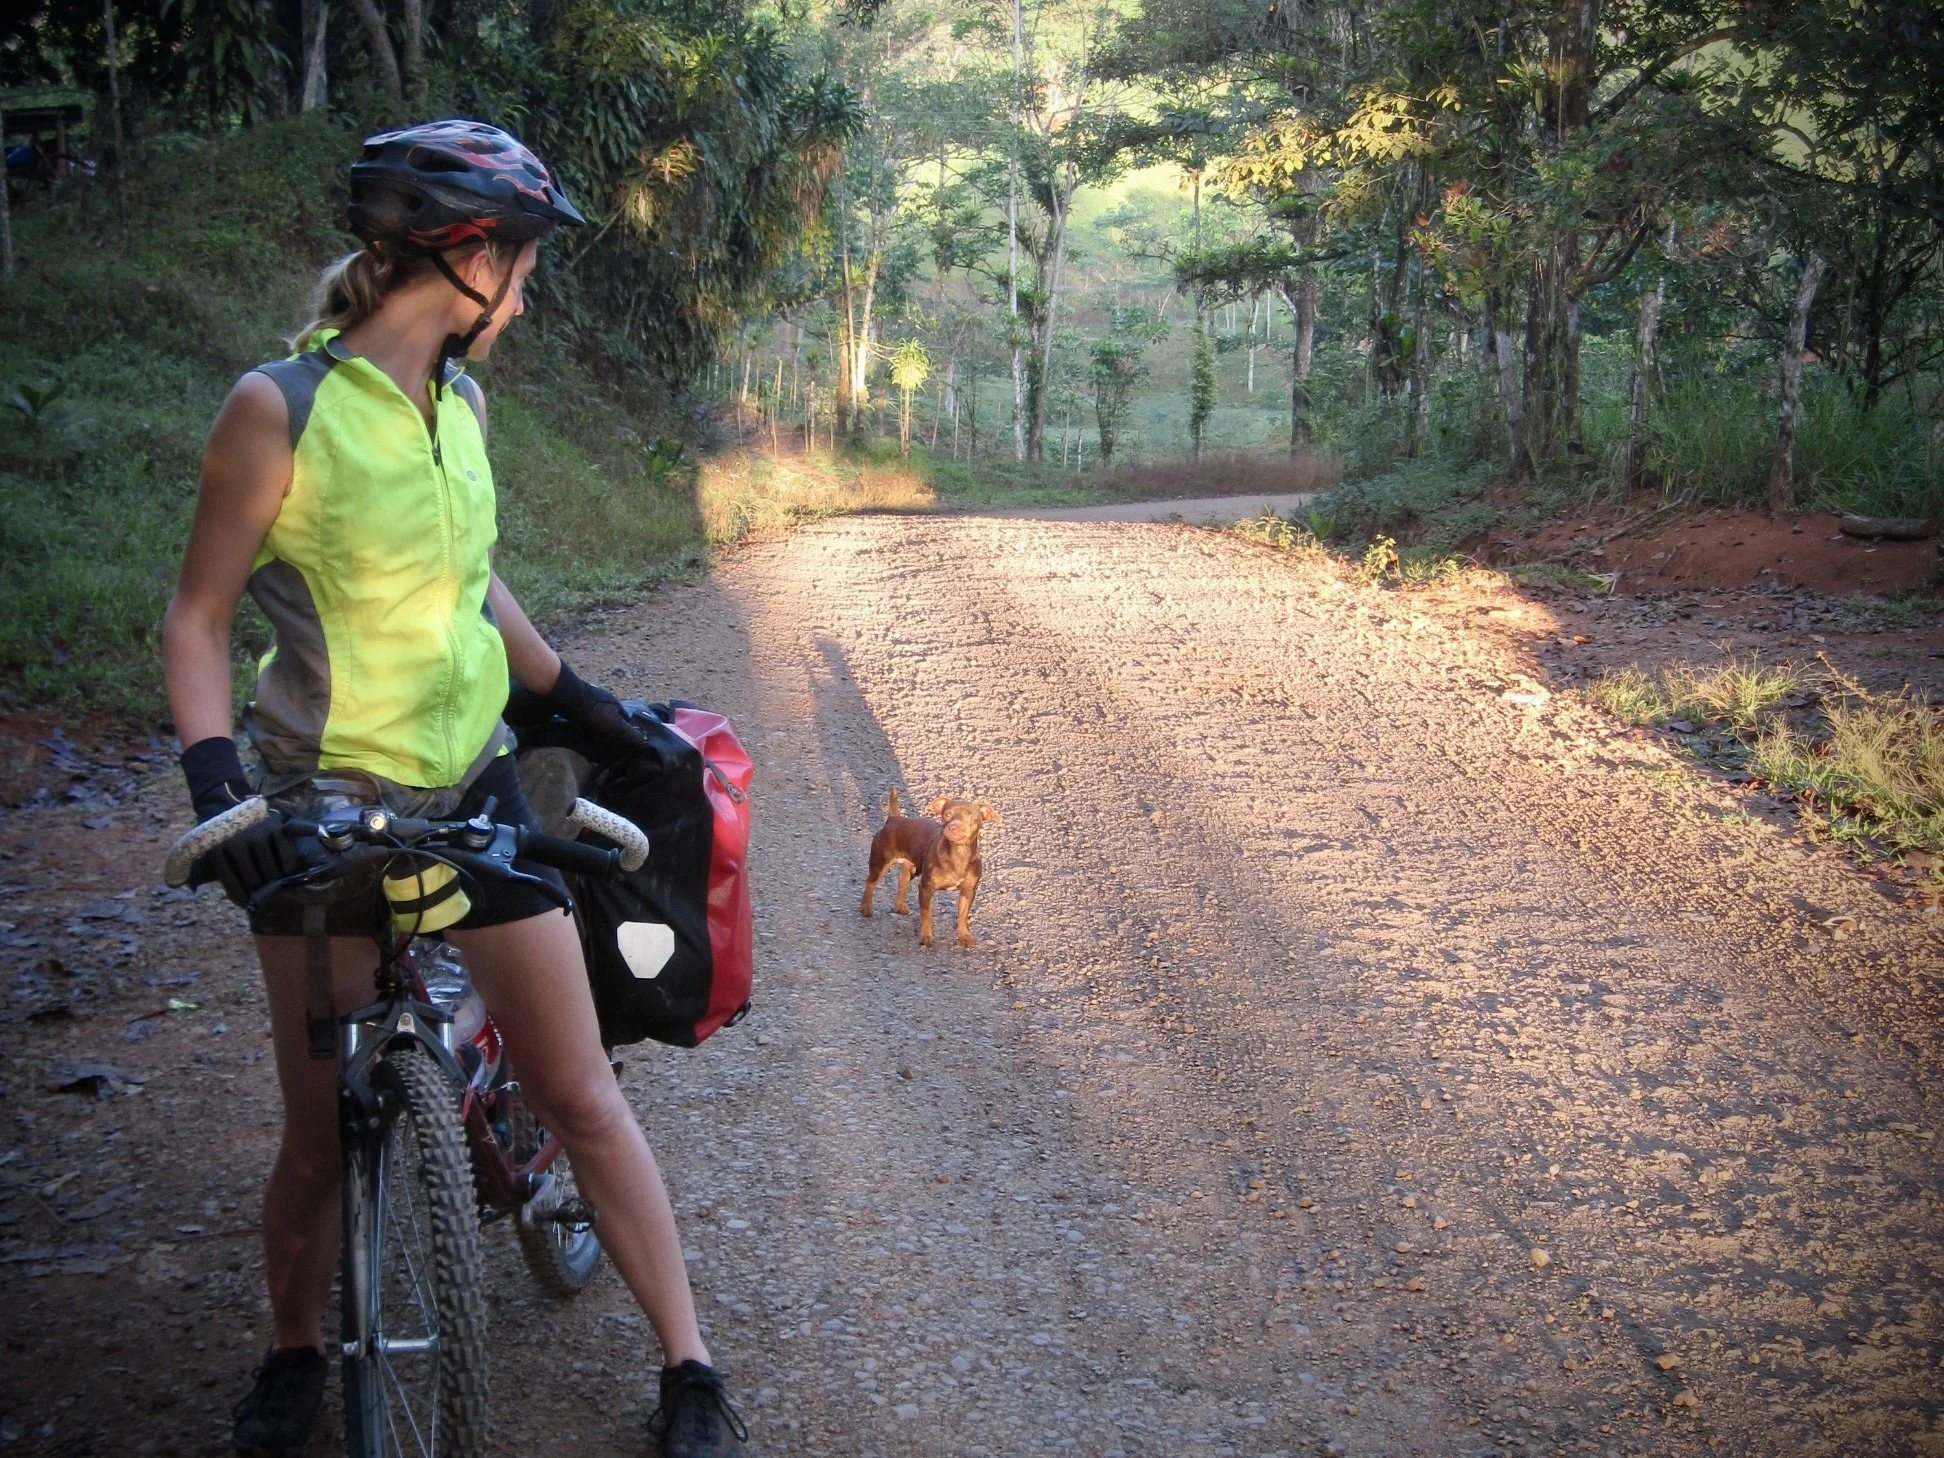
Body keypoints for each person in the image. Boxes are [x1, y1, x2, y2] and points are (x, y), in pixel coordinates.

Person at [160, 120, 745, 1458]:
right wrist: (215, 786)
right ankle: (296, 1351)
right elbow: (196, 620)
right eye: (525, 267)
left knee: (583, 1090)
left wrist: (576, 698)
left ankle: (693, 1370)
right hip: (319, 806)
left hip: (471, 791)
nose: (530, 297)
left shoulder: (459, 405)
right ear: (466, 255)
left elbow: (465, 572)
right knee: (315, 1147)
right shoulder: (279, 412)